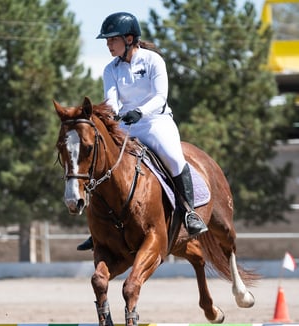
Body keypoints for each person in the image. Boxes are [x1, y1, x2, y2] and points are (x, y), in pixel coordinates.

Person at [77, 12, 207, 251]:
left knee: (173, 157)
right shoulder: (111, 69)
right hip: (126, 124)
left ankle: (190, 213)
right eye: (106, 41)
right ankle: (97, 229)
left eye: (111, 40)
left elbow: (160, 97)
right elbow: (111, 99)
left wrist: (140, 111)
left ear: (128, 38)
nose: (108, 45)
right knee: (103, 161)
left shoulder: (152, 61)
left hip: (156, 121)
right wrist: (113, 114)